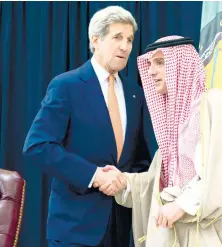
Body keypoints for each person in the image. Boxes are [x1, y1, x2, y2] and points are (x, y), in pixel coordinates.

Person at [103, 35, 222, 246]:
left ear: (181, 65)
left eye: (160, 63)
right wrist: (123, 182)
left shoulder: (215, 105)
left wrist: (182, 206)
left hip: (208, 236)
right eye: (149, 64)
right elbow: (159, 185)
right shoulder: (172, 128)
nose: (150, 71)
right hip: (177, 236)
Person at [23, 6, 157, 247]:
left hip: (120, 228)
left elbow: (140, 157)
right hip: (74, 229)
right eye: (117, 37)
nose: (125, 46)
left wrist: (125, 181)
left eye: (129, 39)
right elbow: (38, 146)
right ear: (96, 40)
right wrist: (93, 176)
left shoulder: (135, 94)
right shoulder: (67, 86)